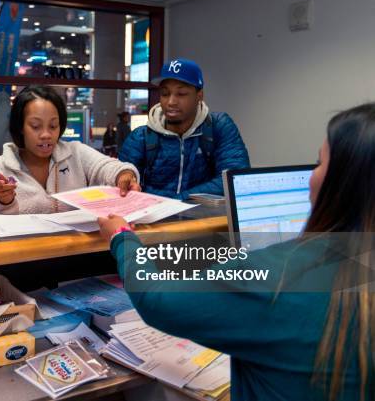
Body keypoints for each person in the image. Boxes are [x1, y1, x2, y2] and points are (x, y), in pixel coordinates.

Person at [98, 102, 375, 401]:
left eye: (319, 163)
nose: (311, 176)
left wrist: (122, 237)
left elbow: (157, 299)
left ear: (343, 184)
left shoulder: (282, 276)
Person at [0, 85, 140, 214]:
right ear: (20, 126)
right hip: (24, 247)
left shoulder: (75, 153)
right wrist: (5, 202)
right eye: (35, 126)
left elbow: (107, 167)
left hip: (80, 247)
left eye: (53, 126)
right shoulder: (0, 167)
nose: (46, 135)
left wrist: (124, 175)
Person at [119, 58, 249, 200]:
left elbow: (235, 178)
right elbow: (122, 186)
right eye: (165, 93)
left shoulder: (218, 127)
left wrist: (178, 201)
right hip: (153, 220)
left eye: (181, 94)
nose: (171, 102)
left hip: (204, 220)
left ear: (199, 95)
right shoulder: (141, 137)